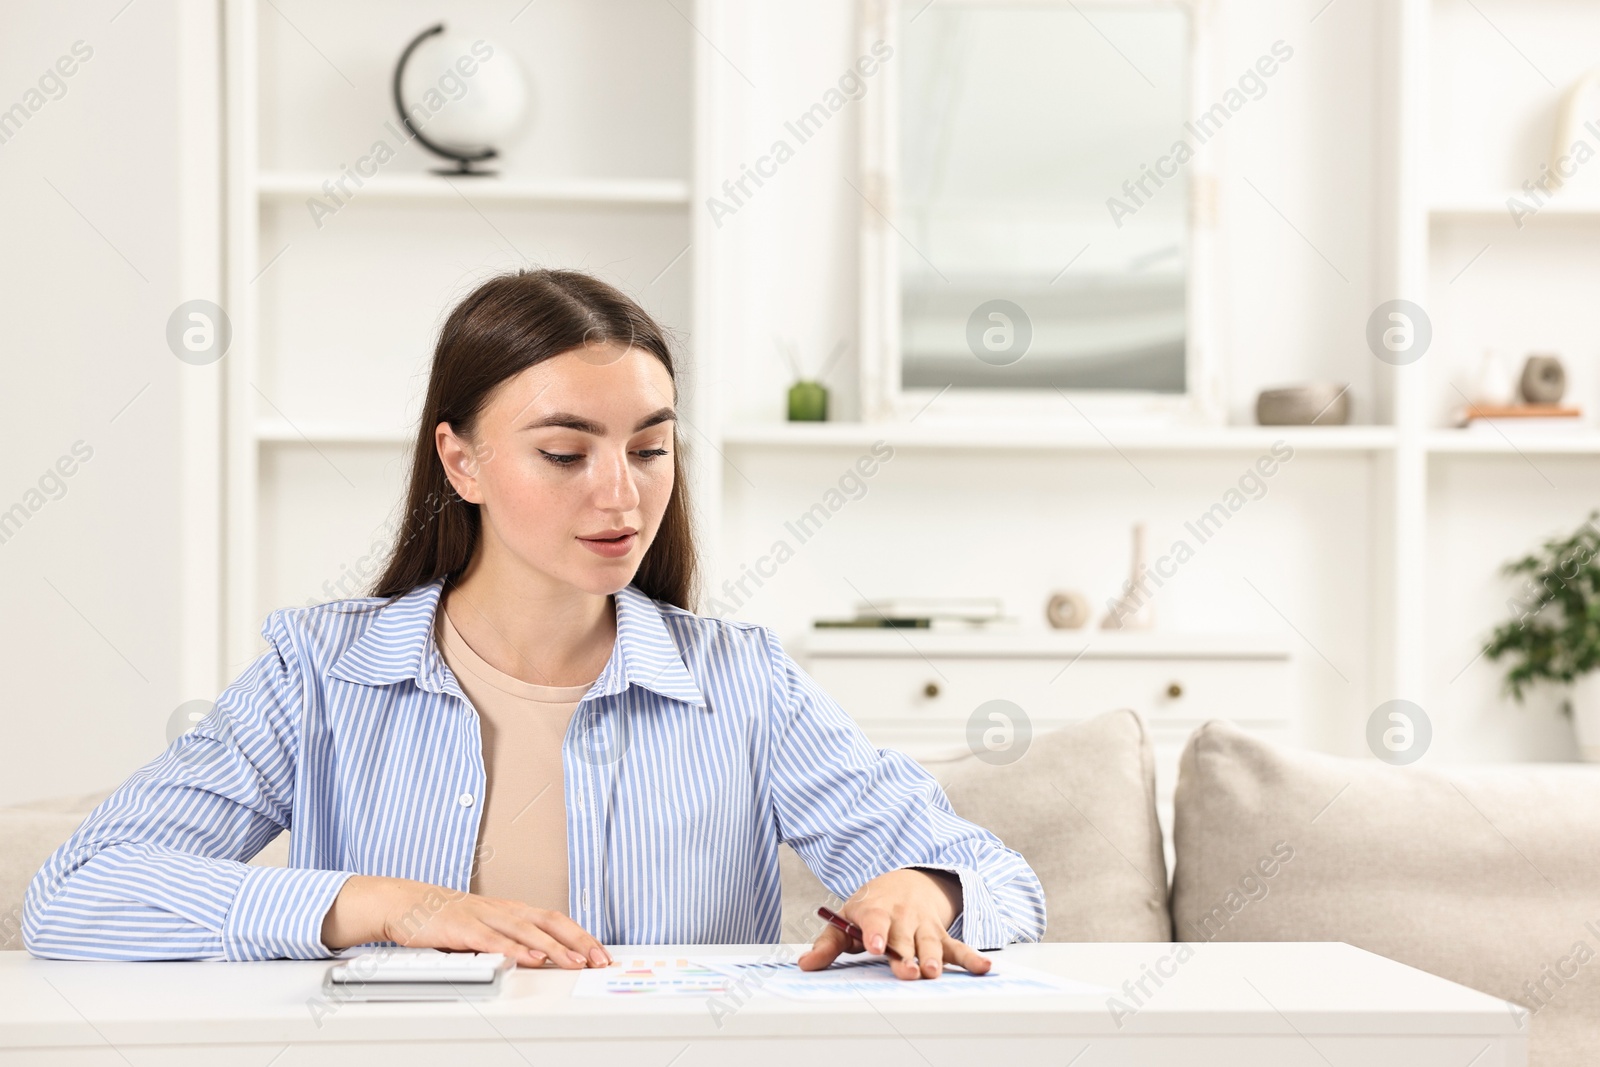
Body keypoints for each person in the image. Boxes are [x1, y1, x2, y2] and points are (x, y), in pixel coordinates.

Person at [24, 269, 1045, 979]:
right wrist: (390, 905)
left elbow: (1001, 879)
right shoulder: (321, 673)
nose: (621, 495)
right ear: (461, 460)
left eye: (649, 450)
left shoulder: (742, 682)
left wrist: (925, 888)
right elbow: (75, 893)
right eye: (566, 453)